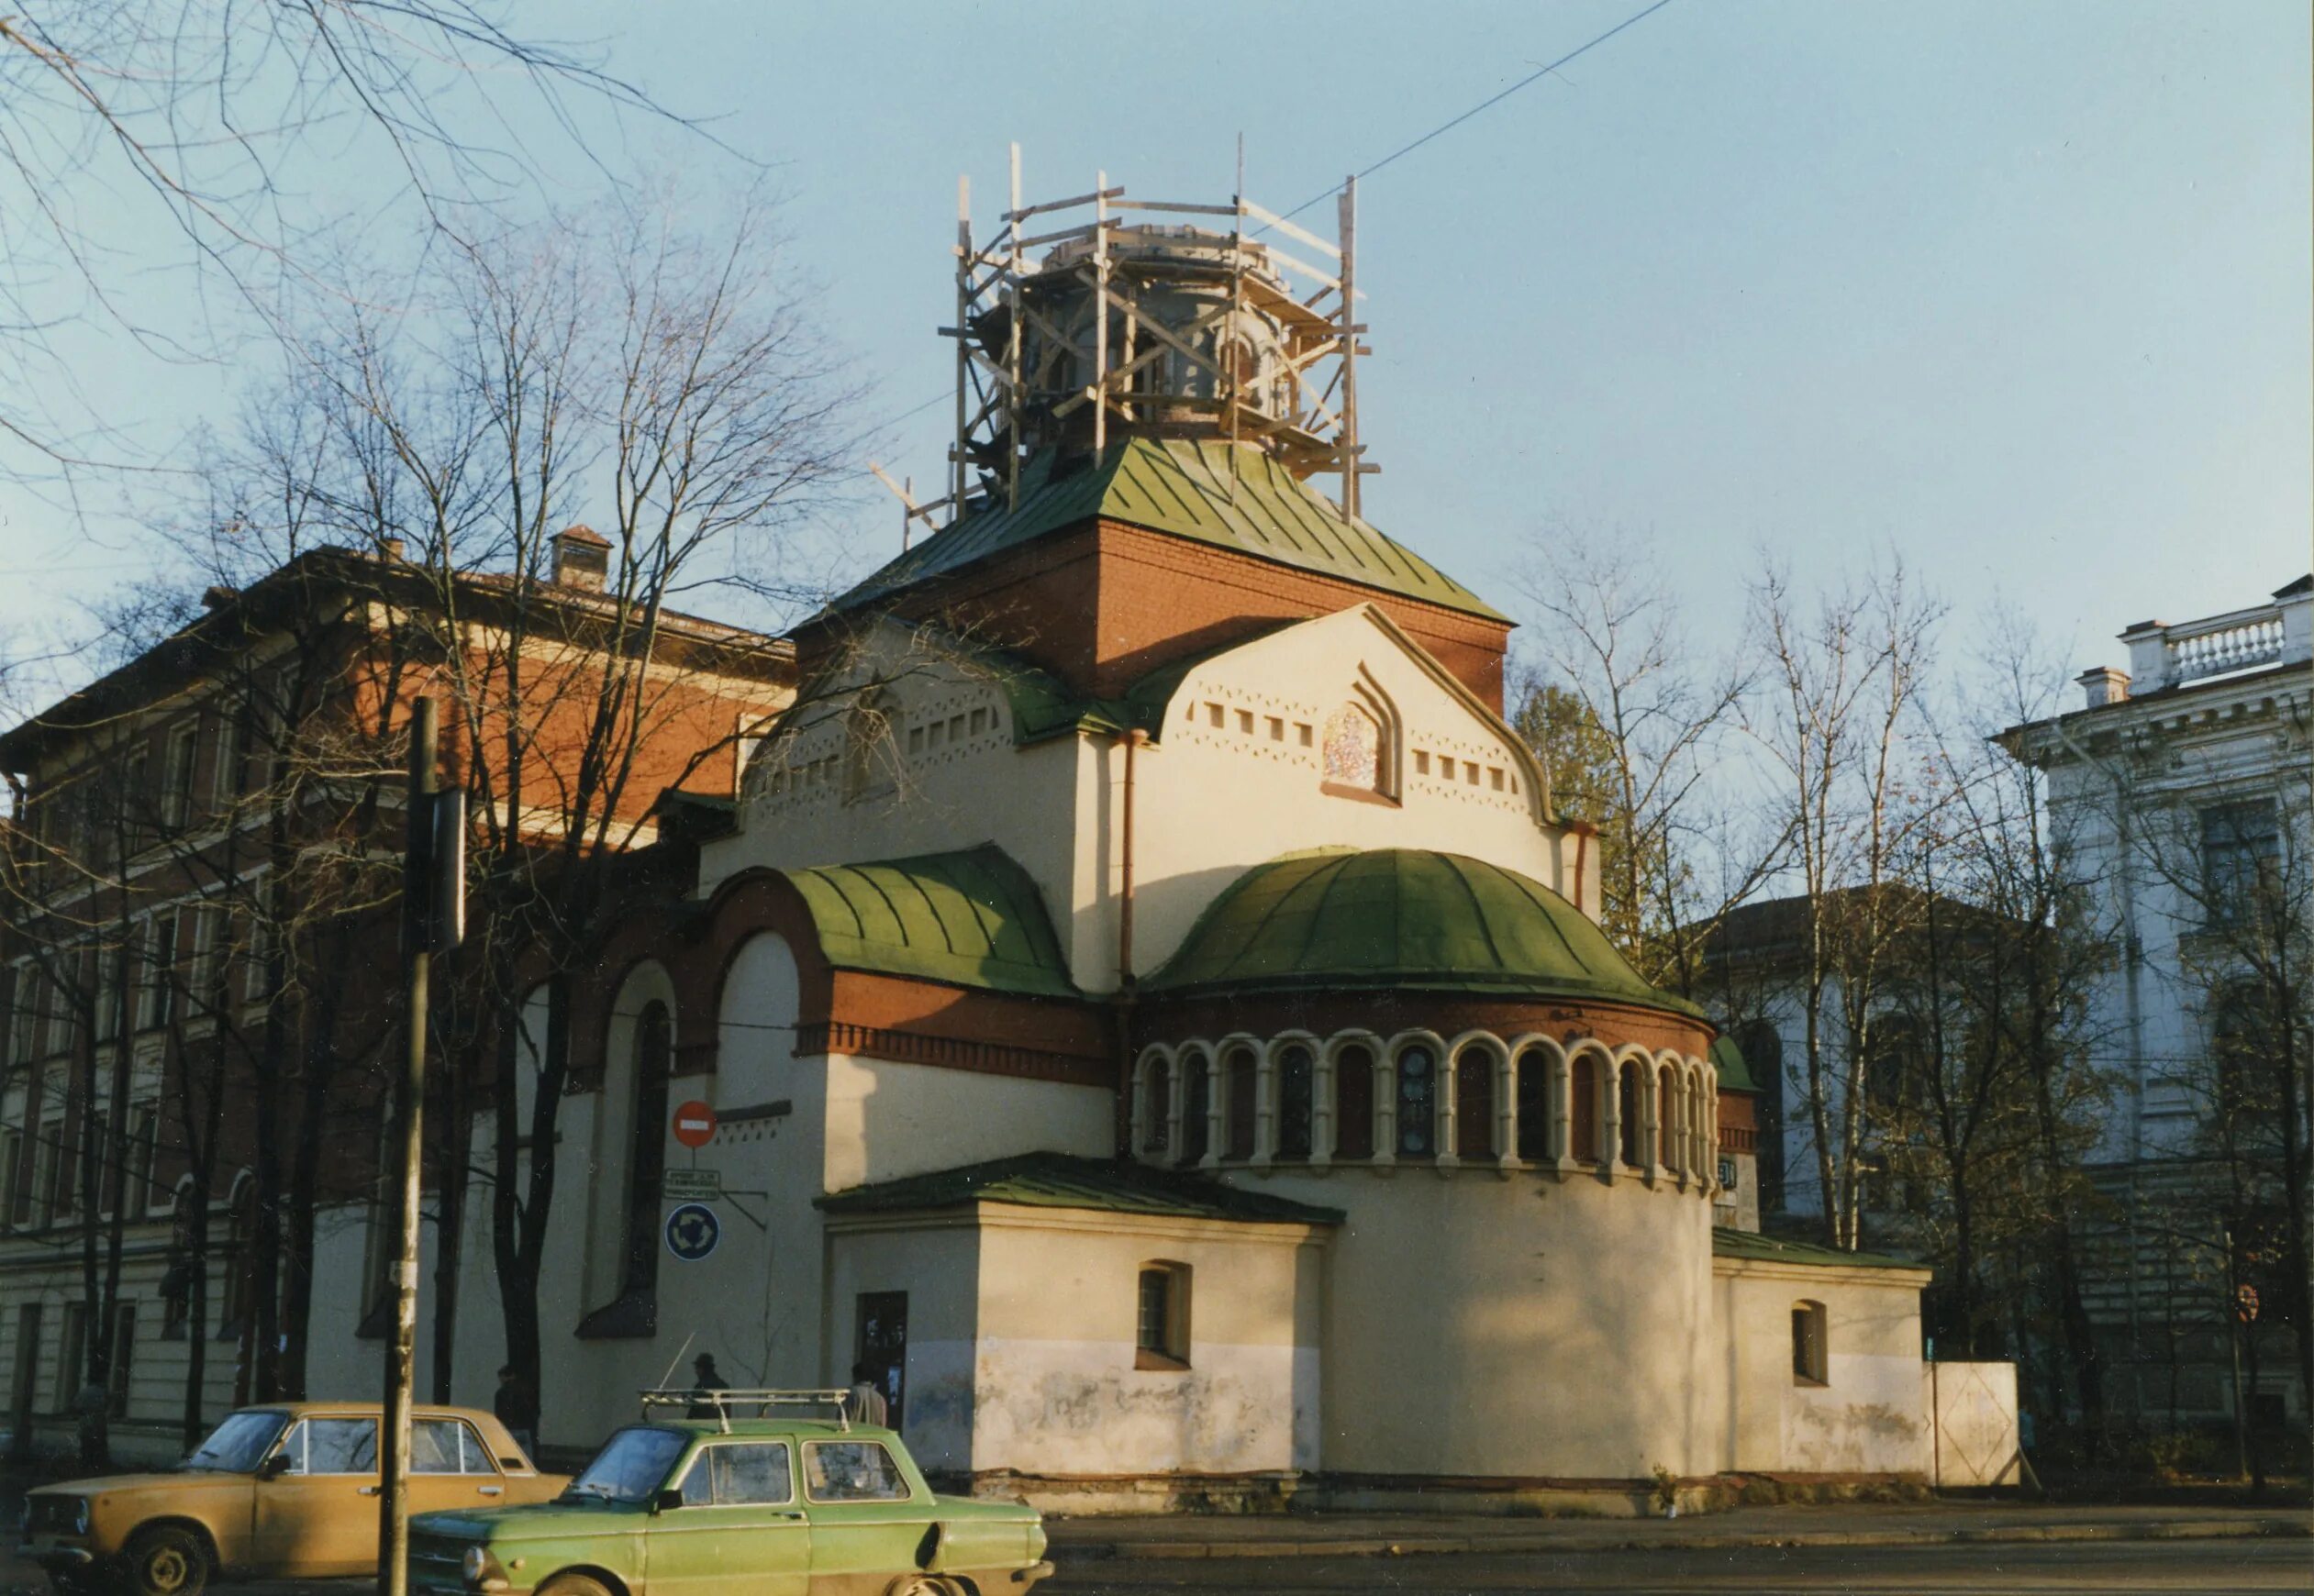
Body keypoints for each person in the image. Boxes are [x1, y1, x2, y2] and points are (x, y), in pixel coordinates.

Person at [494, 1364, 539, 1461]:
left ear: (505, 1377)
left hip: (509, 1430)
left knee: (511, 1460)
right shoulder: (526, 1391)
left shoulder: (500, 1393)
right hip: (525, 1429)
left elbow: (499, 1414)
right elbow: (534, 1410)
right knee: (527, 1460)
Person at [844, 1361, 888, 1427]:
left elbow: (842, 1420)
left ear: (856, 1376)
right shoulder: (880, 1398)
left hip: (852, 1436)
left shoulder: (848, 1394)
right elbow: (882, 1424)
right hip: (873, 1437)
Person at [686, 1353, 727, 1419]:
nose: (696, 1371)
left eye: (697, 1368)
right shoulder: (724, 1385)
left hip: (702, 1425)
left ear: (703, 1368)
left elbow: (694, 1409)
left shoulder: (700, 1386)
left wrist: (688, 1421)